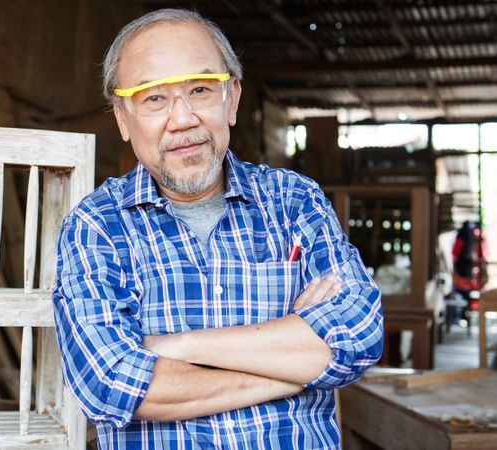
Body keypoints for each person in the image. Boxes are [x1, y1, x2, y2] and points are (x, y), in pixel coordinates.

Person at [53, 8, 384, 449]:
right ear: (122, 118)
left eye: (201, 89)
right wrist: (296, 368)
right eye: (153, 98)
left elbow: (358, 333)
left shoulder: (294, 201)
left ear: (231, 99)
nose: (183, 118)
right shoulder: (97, 225)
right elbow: (111, 382)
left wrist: (178, 347)